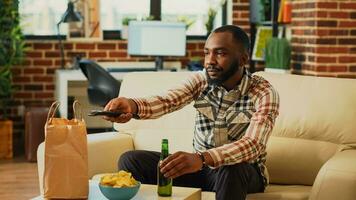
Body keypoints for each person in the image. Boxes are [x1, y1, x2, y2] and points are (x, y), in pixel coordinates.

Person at [103, 25, 280, 200]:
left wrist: (202, 158)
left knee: (232, 167)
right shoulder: (201, 80)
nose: (210, 60)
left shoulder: (263, 92)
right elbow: (167, 100)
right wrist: (132, 105)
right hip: (202, 170)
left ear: (242, 59)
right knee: (131, 160)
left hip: (243, 172)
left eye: (220, 53)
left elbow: (253, 145)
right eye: (206, 52)